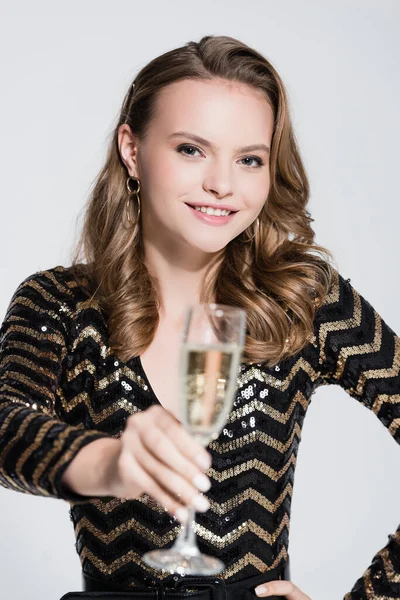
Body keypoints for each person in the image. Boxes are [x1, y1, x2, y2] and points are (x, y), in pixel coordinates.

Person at [0, 34, 398, 600]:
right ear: (132, 150)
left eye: (249, 159)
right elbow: (6, 425)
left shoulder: (302, 297)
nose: (222, 184)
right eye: (192, 149)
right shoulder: (59, 302)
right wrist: (109, 462)